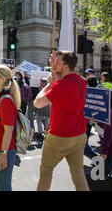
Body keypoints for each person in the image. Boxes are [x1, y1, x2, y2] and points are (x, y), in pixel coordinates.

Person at [34, 51, 89, 191]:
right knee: (78, 175)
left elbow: (37, 103)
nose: (54, 64)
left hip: (59, 136)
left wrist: (48, 85)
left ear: (65, 66)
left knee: (46, 171)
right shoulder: (81, 81)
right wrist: (55, 76)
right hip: (79, 135)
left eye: (57, 62)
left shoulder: (61, 85)